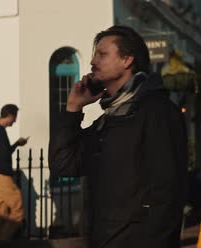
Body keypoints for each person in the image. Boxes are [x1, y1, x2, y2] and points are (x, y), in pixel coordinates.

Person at [48, 25, 188, 247]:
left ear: (127, 60)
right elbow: (62, 165)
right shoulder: (110, 118)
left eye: (102, 54)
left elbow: (168, 198)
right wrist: (73, 108)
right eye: (95, 55)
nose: (93, 62)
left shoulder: (157, 111)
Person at [0, 104, 29, 243]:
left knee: (2, 215)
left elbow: (3, 153)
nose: (15, 121)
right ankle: (3, 243)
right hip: (3, 178)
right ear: (10, 115)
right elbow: (4, 155)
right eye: (15, 117)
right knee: (18, 210)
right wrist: (16, 144)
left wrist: (17, 144)